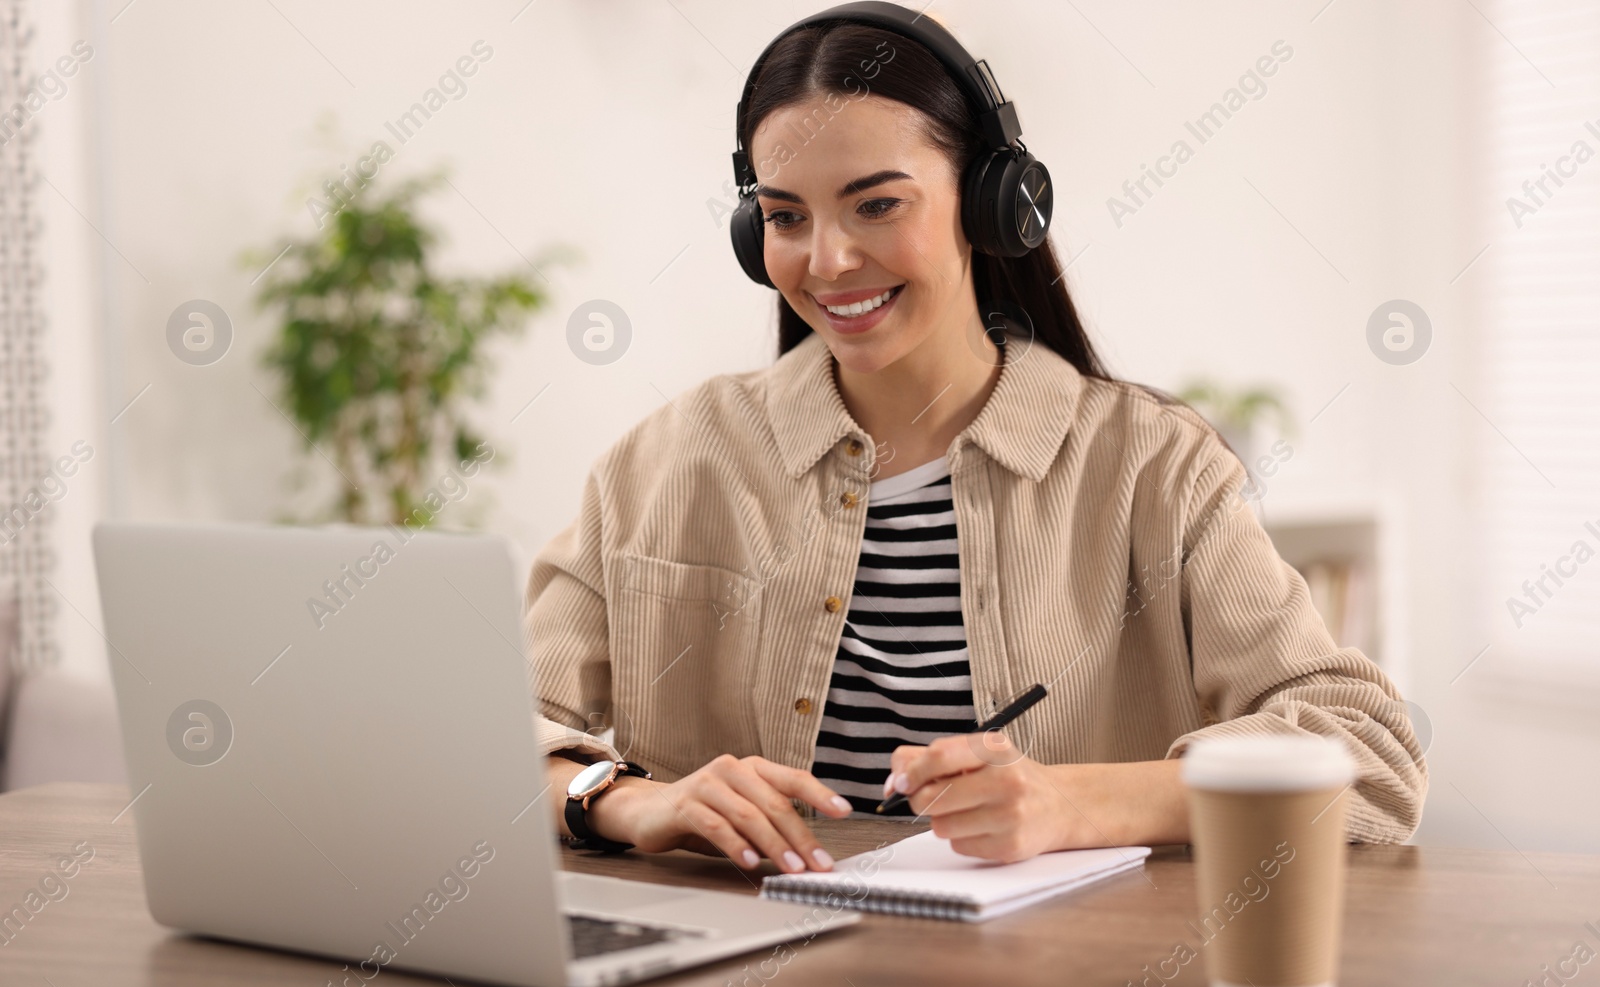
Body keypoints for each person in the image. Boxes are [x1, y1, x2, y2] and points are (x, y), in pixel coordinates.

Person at [526, 10, 1427, 876]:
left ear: (994, 205)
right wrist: (619, 799)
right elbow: (480, 736)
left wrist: (1077, 804)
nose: (828, 260)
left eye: (877, 204)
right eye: (787, 216)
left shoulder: (1156, 469)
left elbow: (1373, 760)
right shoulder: (666, 462)